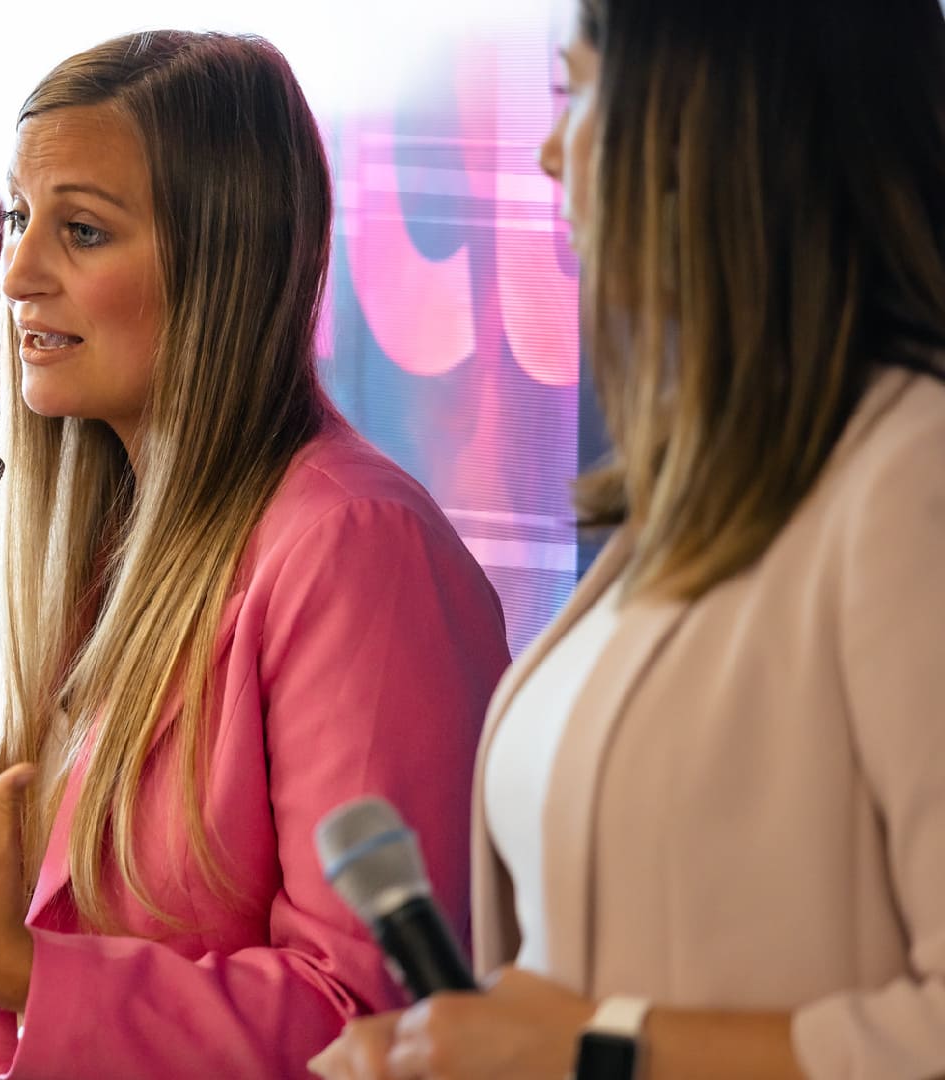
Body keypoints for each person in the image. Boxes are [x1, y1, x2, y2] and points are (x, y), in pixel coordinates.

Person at [0, 30, 511, 1080]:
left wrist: (19, 965)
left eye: (81, 230)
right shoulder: (100, 547)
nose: (21, 273)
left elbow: (374, 1020)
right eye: (20, 218)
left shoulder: (355, 547)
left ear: (224, 257)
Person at [308, 1, 945, 1078]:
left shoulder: (910, 477)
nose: (555, 150)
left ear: (717, 121)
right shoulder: (694, 499)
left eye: (580, 90)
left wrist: (600, 1052)